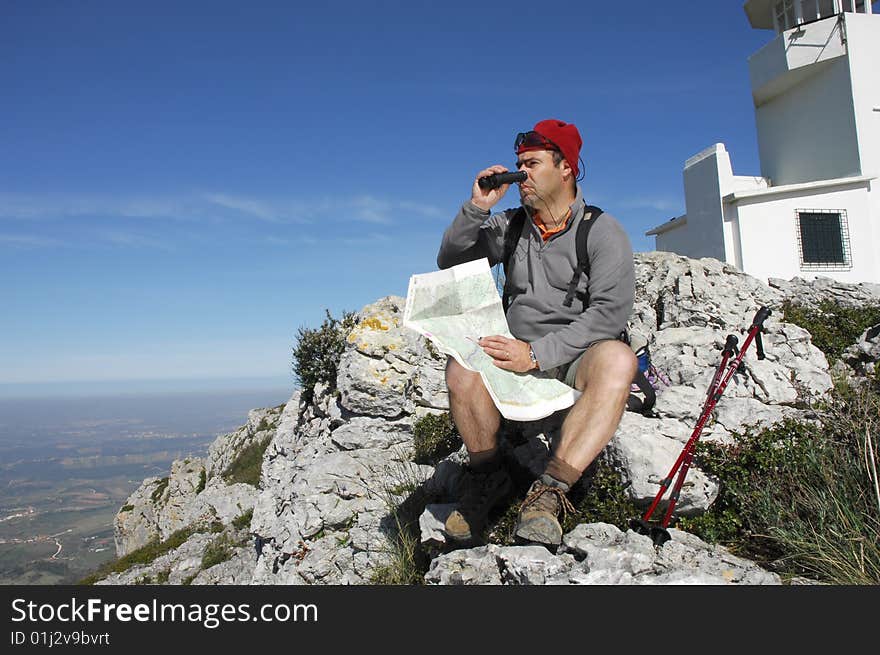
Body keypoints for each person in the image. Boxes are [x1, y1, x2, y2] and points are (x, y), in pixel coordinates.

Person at [436, 118, 636, 547]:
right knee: (461, 366)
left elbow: (608, 315)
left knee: (620, 359)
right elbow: (450, 261)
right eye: (519, 164)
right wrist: (477, 207)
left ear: (565, 168)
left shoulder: (601, 231)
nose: (520, 173)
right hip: (517, 350)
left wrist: (538, 354)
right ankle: (487, 477)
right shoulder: (509, 225)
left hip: (574, 355)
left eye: (532, 163)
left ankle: (550, 491)